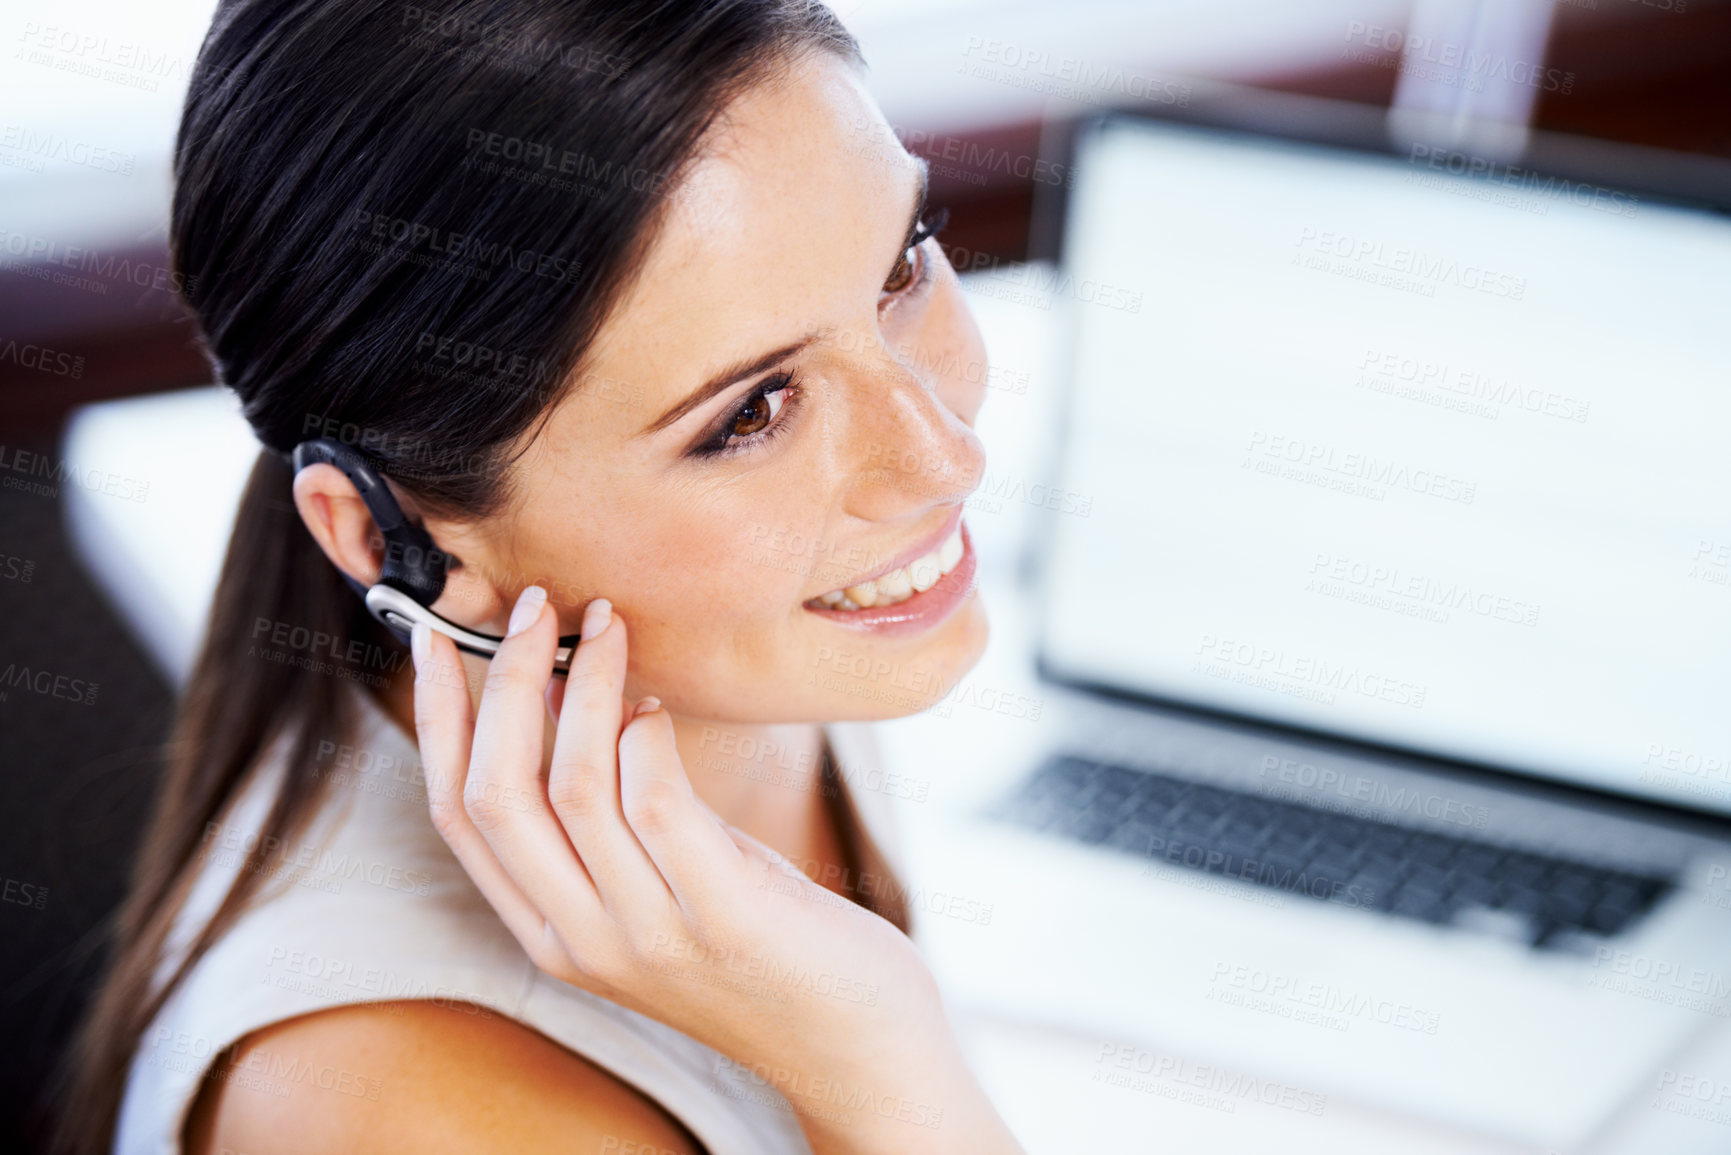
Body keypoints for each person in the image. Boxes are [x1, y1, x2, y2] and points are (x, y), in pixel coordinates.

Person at [56, 1, 1022, 1153]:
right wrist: (887, 1071)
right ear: (384, 538)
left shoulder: (735, 648)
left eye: (903, 263)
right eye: (753, 413)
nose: (944, 454)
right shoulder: (411, 1113)